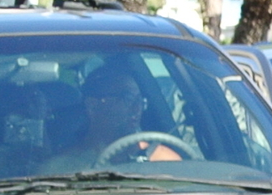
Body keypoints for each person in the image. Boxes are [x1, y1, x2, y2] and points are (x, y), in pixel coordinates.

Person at [42, 63, 183, 173]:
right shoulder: (63, 167)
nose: (137, 108)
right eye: (127, 98)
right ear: (93, 106)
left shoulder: (162, 161)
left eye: (140, 100)